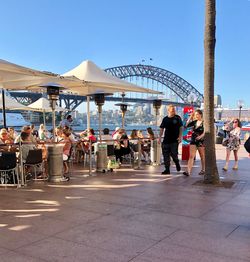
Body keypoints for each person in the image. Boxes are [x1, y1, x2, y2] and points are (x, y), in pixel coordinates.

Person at [159, 104, 183, 174]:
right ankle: (167, 169)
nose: (174, 111)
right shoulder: (165, 119)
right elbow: (161, 128)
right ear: (168, 110)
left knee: (174, 155)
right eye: (172, 110)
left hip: (174, 140)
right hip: (166, 140)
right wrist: (160, 137)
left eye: (174, 110)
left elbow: (181, 127)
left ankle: (177, 163)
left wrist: (180, 136)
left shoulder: (177, 118)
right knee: (165, 155)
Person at [183, 109, 205, 176]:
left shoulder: (204, 122)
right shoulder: (194, 122)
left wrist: (201, 136)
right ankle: (188, 171)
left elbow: (205, 131)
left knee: (202, 156)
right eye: (195, 115)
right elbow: (186, 125)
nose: (196, 116)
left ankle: (203, 169)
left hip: (200, 141)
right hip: (193, 140)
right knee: (191, 156)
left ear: (200, 114)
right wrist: (190, 117)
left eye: (197, 114)